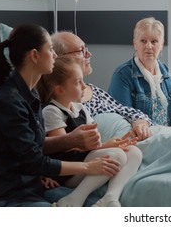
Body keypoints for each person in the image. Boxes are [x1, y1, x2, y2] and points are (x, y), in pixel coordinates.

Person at [0, 24, 121, 207]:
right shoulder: (7, 102)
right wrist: (87, 167)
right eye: (50, 49)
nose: (55, 55)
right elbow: (33, 161)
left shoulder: (30, 95)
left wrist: (71, 143)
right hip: (4, 198)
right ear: (35, 55)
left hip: (32, 189)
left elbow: (32, 146)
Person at [37, 57, 142, 207]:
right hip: (68, 171)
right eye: (77, 82)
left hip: (84, 160)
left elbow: (92, 144)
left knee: (133, 152)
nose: (84, 86)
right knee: (116, 155)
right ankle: (73, 199)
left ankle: (110, 197)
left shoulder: (81, 109)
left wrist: (111, 144)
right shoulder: (52, 111)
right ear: (60, 89)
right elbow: (65, 148)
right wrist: (106, 146)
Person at [46, 31, 153, 153]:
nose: (89, 54)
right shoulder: (58, 106)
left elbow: (126, 111)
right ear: (60, 58)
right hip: (116, 148)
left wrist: (140, 123)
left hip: (140, 135)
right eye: (81, 51)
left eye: (86, 48)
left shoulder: (94, 90)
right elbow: (65, 148)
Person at [108, 17, 171, 128]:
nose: (149, 46)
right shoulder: (122, 75)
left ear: (161, 45)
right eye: (143, 41)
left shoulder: (166, 73)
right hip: (144, 138)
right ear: (135, 44)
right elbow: (121, 117)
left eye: (154, 41)